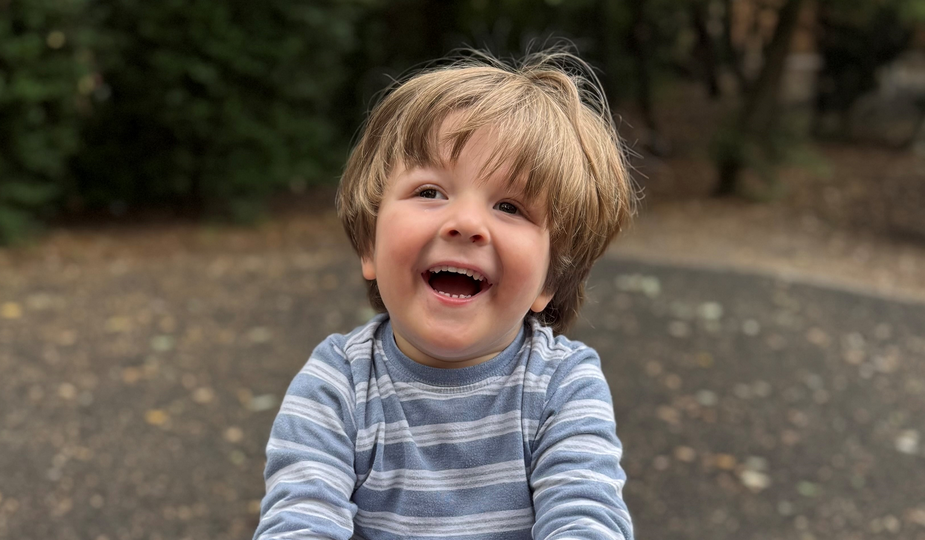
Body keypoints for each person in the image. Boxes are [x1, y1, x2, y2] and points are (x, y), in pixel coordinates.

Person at [254, 50, 638, 540]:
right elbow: (299, 520)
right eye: (430, 192)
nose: (466, 223)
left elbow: (588, 519)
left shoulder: (562, 387)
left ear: (548, 280)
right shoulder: (338, 385)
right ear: (370, 242)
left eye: (509, 206)